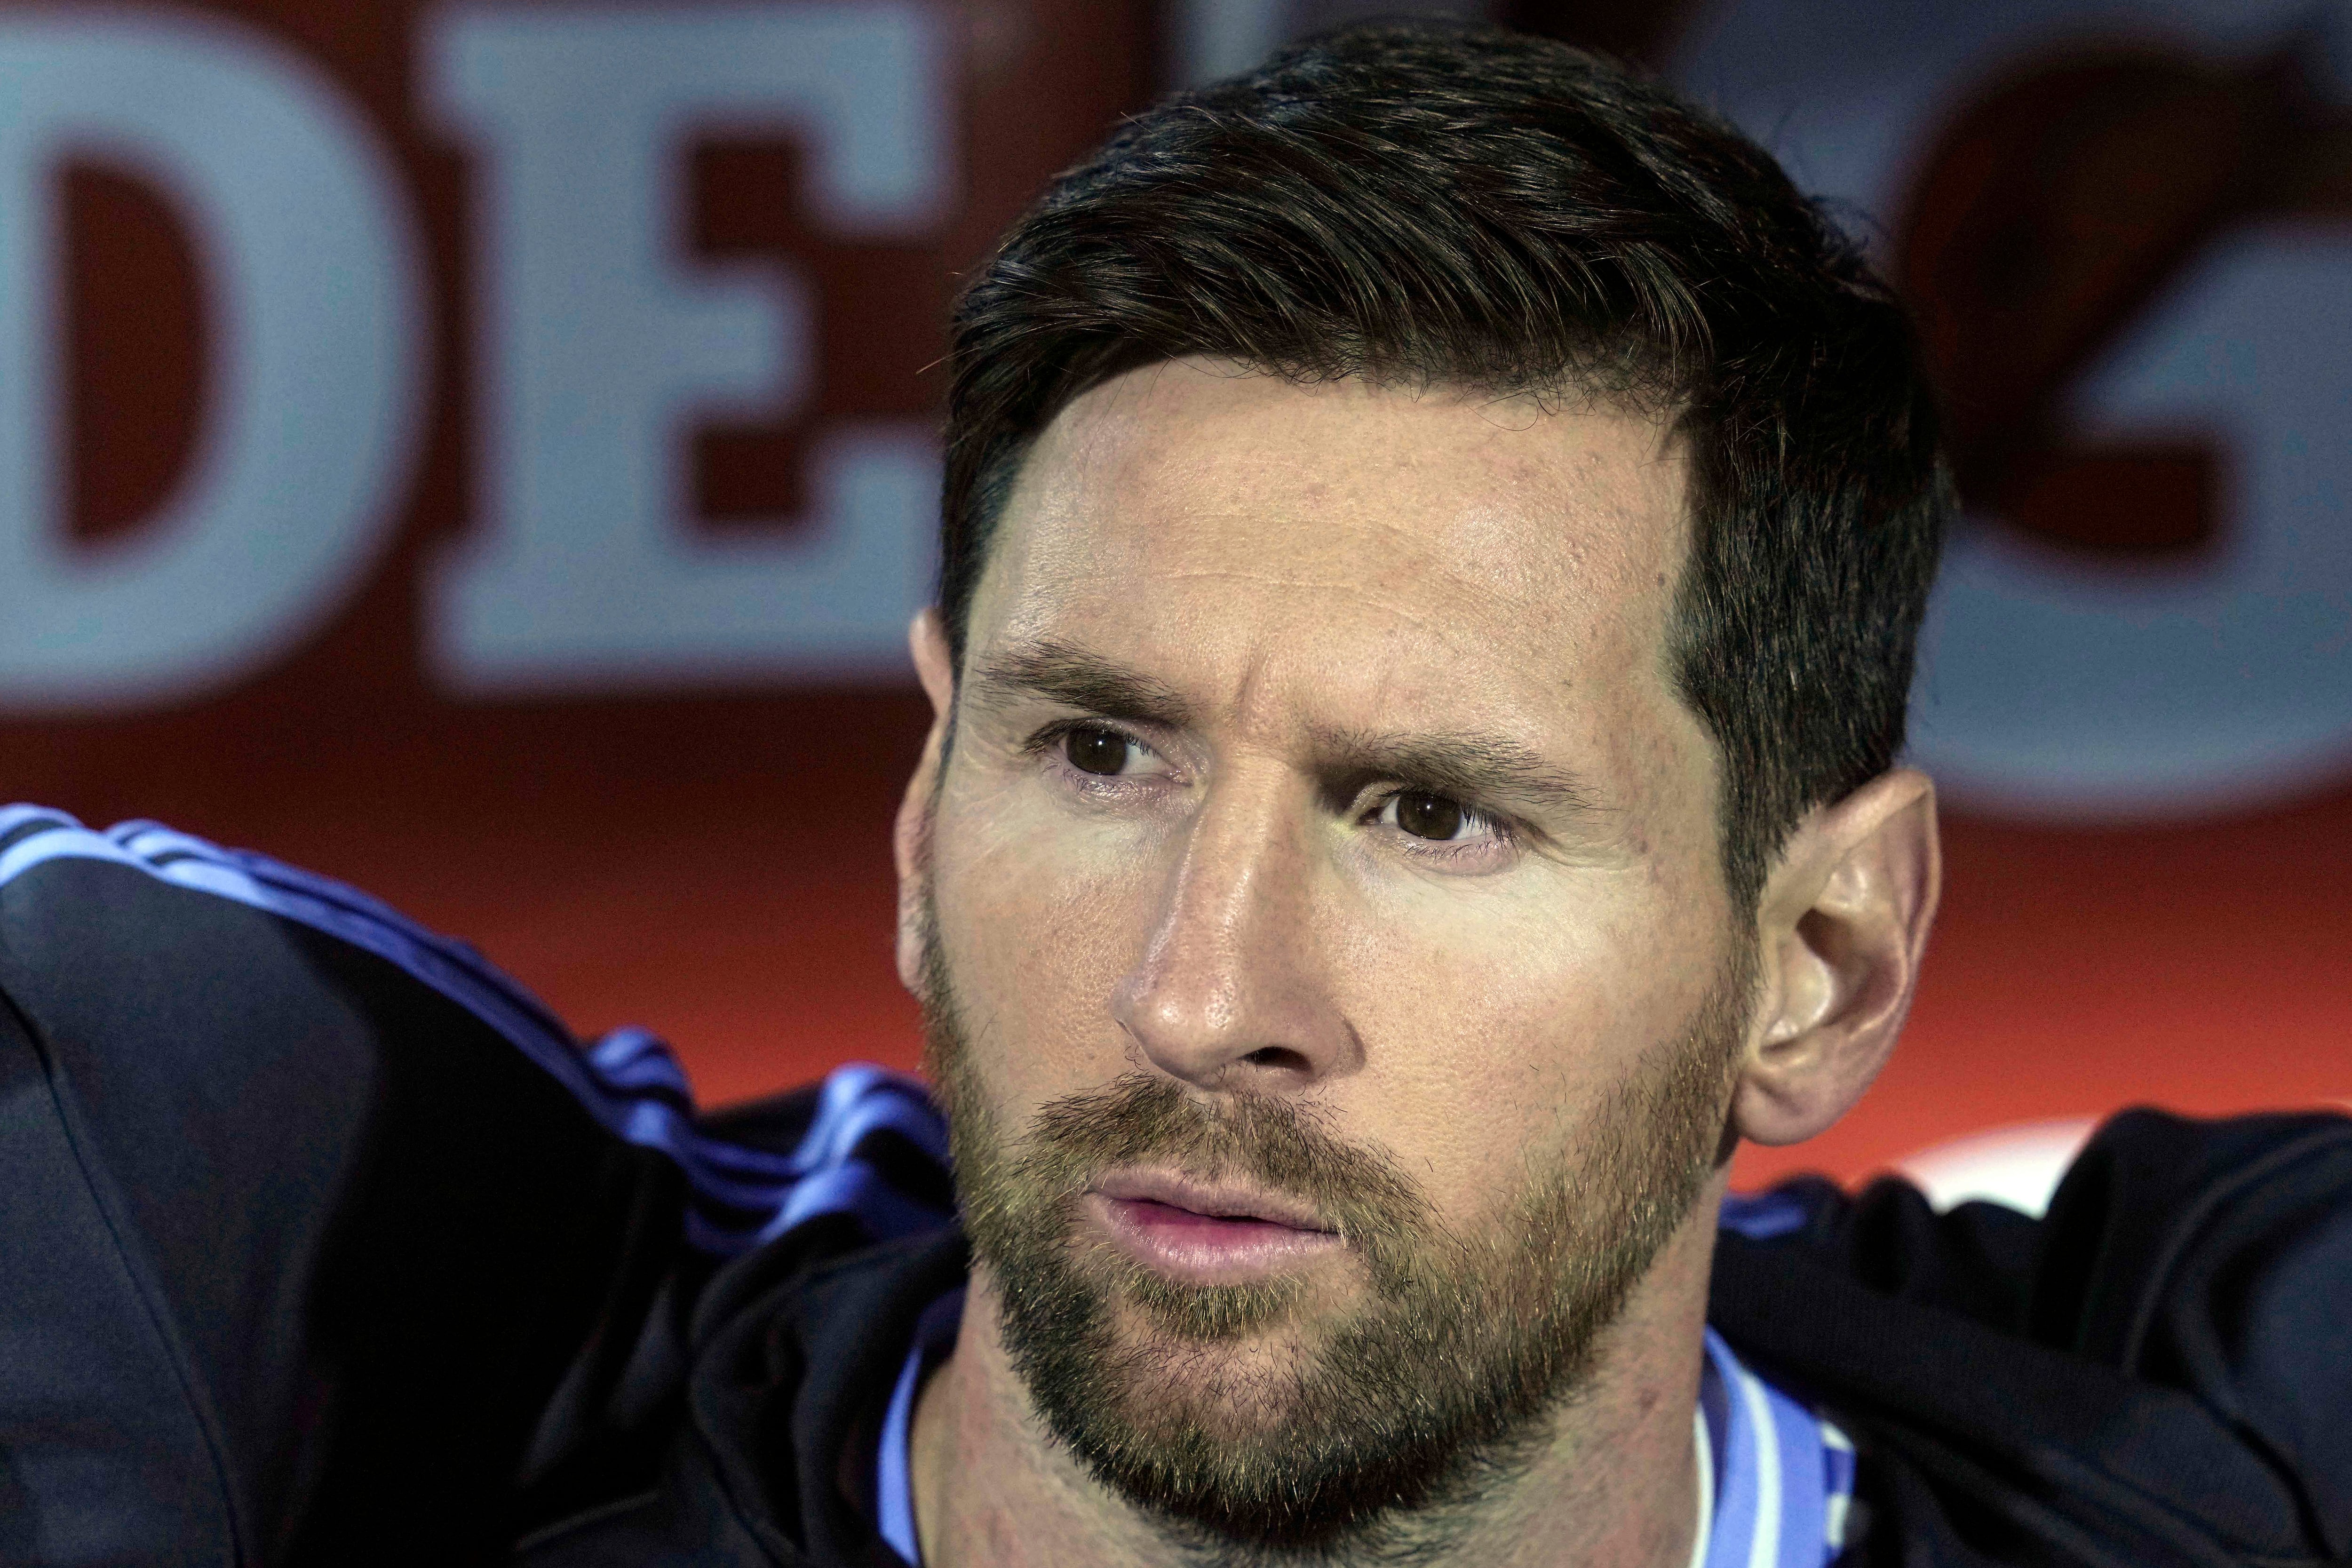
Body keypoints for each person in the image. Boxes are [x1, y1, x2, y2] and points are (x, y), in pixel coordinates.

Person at [1, 21, 2345, 1568]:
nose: (1196, 994)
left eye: (1430, 812)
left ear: (1815, 962)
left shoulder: (2203, 1449)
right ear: (922, 813)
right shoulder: (294, 1318)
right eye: (1096, 751)